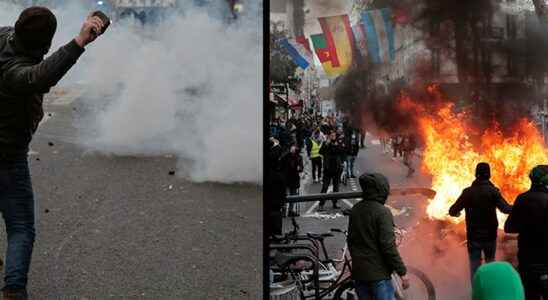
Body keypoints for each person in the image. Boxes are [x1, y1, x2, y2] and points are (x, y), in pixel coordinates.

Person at [0, 7, 106, 299]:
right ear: (44, 44)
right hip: (6, 157)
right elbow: (41, 75)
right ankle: (14, 290)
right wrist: (79, 42)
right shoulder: (17, 73)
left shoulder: (5, 37)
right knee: (21, 227)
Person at [348, 173, 409, 300]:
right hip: (378, 275)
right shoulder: (382, 212)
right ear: (381, 190)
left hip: (360, 273)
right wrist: (402, 272)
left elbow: (351, 241)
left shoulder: (356, 209)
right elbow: (388, 246)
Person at [449, 162, 512, 281]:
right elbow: (506, 209)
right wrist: (520, 205)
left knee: (475, 268)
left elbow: (452, 211)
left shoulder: (467, 192)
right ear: (489, 175)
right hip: (490, 236)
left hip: (473, 237)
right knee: (490, 265)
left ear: (476, 174)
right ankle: (490, 291)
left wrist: (457, 213)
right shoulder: (493, 191)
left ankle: (477, 293)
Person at [504, 165, 548, 300]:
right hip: (546, 259)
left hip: (527, 260)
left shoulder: (522, 199)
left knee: (529, 294)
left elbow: (509, 227)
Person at [318, 130, 345, 210]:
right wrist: (326, 144)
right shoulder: (326, 143)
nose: (333, 137)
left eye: (334, 135)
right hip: (328, 168)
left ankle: (335, 203)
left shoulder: (338, 143)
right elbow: (321, 152)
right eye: (331, 135)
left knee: (336, 187)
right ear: (329, 136)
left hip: (337, 168)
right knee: (325, 187)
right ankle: (321, 204)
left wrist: (337, 146)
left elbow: (342, 152)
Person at [284, 144, 303, 216]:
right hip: (286, 177)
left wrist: (300, 168)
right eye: (292, 147)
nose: (293, 149)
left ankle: (291, 211)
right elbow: (282, 161)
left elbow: (301, 167)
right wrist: (289, 152)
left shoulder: (299, 157)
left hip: (294, 178)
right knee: (285, 195)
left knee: (293, 195)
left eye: (294, 148)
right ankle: (284, 210)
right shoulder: (286, 156)